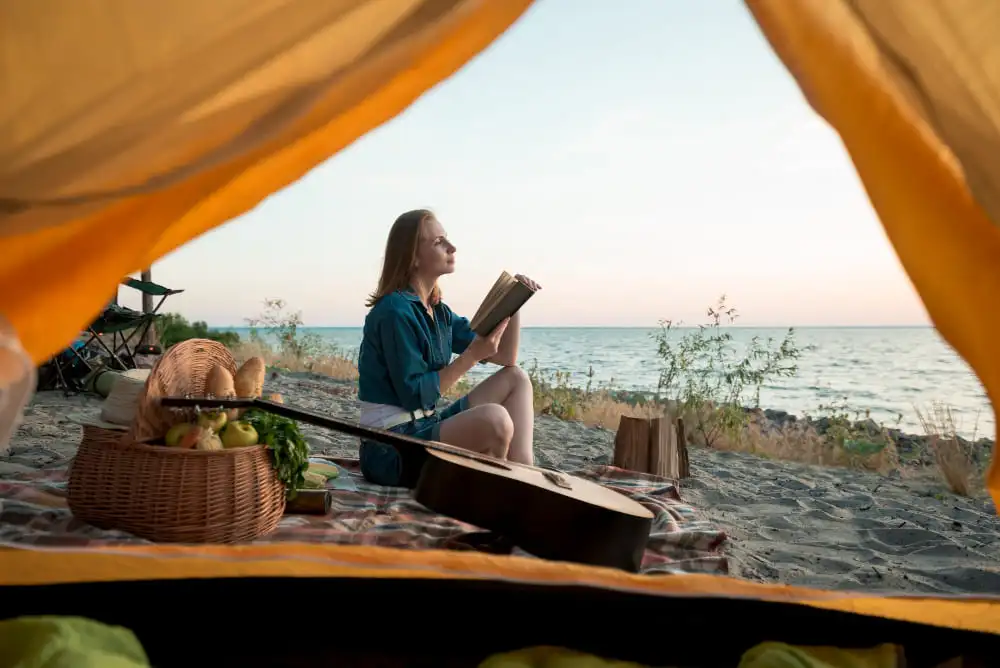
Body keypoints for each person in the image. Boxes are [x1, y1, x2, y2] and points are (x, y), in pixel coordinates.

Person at [357, 209, 541, 487]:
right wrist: (472, 356)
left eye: (447, 239)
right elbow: (415, 396)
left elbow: (506, 357)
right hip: (390, 449)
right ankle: (501, 490)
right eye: (438, 242)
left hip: (425, 426)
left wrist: (515, 302)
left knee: (516, 378)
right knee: (495, 420)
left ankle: (526, 478)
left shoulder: (438, 312)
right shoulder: (394, 312)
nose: (451, 247)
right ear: (413, 257)